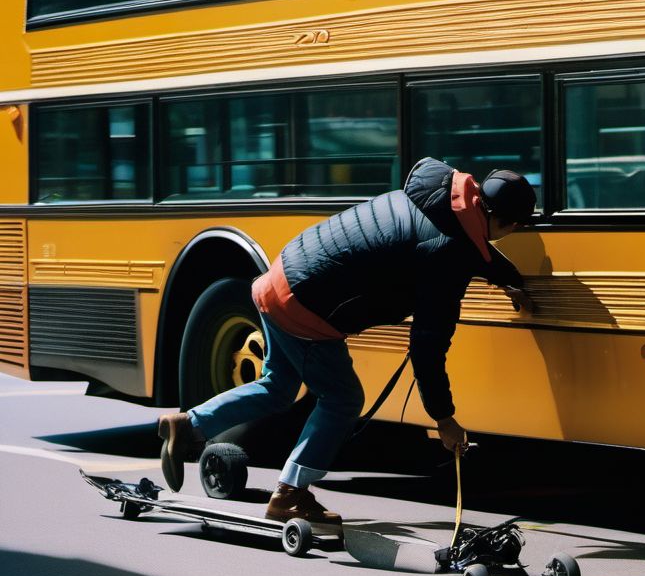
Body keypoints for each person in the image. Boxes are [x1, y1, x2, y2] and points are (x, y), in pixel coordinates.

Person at [156, 157, 535, 529]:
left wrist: (506, 276)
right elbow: (428, 345)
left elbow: (458, 243)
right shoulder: (448, 250)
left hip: (282, 276)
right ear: (507, 223)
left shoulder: (438, 191)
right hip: (307, 306)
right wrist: (444, 419)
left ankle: (188, 425)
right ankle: (290, 494)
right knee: (342, 399)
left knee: (278, 388)